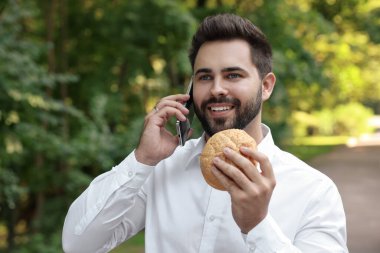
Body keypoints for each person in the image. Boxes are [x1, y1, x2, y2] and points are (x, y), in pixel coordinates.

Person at [62, 13, 348, 253]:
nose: (216, 89)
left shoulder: (314, 191)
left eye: (233, 75)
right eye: (205, 77)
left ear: (266, 86)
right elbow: (78, 244)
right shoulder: (160, 170)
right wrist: (142, 160)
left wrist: (258, 225)